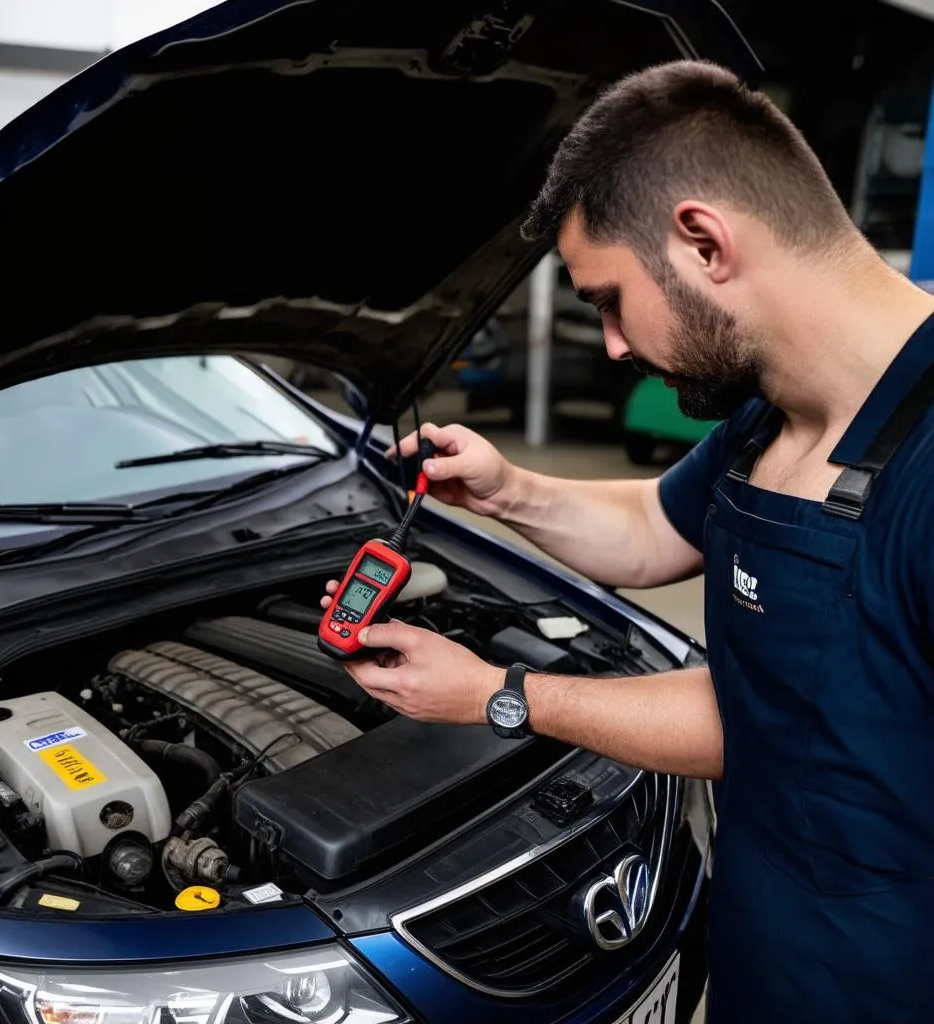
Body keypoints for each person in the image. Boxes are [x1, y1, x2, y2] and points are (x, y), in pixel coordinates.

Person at [321, 60, 934, 1021]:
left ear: (701, 241)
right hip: (762, 960)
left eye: (607, 297)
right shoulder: (775, 409)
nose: (609, 343)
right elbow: (655, 529)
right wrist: (507, 489)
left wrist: (497, 695)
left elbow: (758, 719)